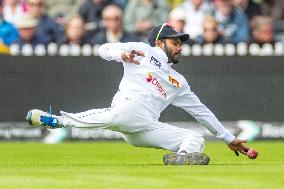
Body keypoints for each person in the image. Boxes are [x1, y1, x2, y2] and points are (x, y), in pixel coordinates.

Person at [26, 23, 257, 165]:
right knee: (123, 114)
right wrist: (122, 54)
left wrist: (229, 139)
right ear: (159, 42)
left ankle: (182, 158)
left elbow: (201, 112)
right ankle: (57, 121)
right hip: (127, 110)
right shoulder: (144, 51)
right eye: (175, 42)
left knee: (194, 139)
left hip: (144, 129)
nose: (180, 47)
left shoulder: (179, 82)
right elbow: (103, 49)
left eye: (180, 43)